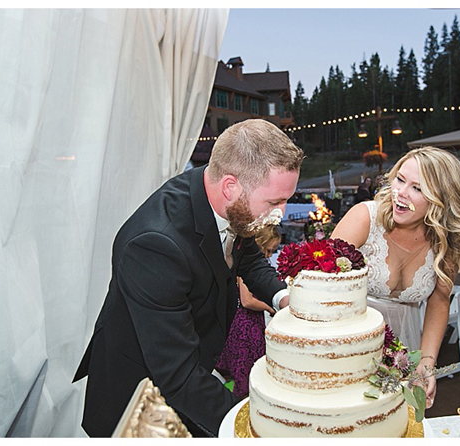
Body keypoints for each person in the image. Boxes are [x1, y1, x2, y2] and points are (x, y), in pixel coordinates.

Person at [73, 119, 304, 437]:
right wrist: (253, 426)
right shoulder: (155, 246)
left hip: (189, 370)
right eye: (275, 202)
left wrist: (285, 299)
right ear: (230, 187)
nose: (282, 212)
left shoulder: (228, 200)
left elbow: (247, 258)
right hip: (138, 402)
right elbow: (178, 375)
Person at [331, 146, 460, 411]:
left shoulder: (444, 243)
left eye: (417, 188)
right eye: (400, 180)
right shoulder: (364, 218)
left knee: (394, 420)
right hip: (345, 339)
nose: (401, 193)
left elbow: (439, 301)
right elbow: (321, 283)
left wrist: (427, 363)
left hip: (403, 344)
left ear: (440, 198)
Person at [215, 225, 281, 399]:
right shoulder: (246, 268)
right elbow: (247, 300)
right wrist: (270, 307)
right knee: (246, 371)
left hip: (252, 322)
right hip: (245, 325)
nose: (269, 255)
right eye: (268, 250)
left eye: (273, 251)